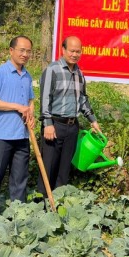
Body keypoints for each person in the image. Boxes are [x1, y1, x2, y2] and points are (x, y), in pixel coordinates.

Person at [38, 36, 100, 196]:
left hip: (72, 127)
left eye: (78, 51)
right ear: (63, 50)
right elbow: (45, 99)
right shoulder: (52, 70)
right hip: (54, 126)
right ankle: (41, 206)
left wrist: (93, 120)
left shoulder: (79, 73)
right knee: (48, 168)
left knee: (64, 170)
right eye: (71, 51)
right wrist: (48, 123)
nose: (74, 54)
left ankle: (59, 203)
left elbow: (83, 99)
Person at [0, 36, 35, 214]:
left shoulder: (27, 75)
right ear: (11, 50)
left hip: (22, 134)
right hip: (1, 135)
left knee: (20, 178)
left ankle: (18, 213)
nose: (25, 54)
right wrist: (16, 107)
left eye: (28, 51)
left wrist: (31, 112)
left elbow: (30, 100)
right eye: (22, 50)